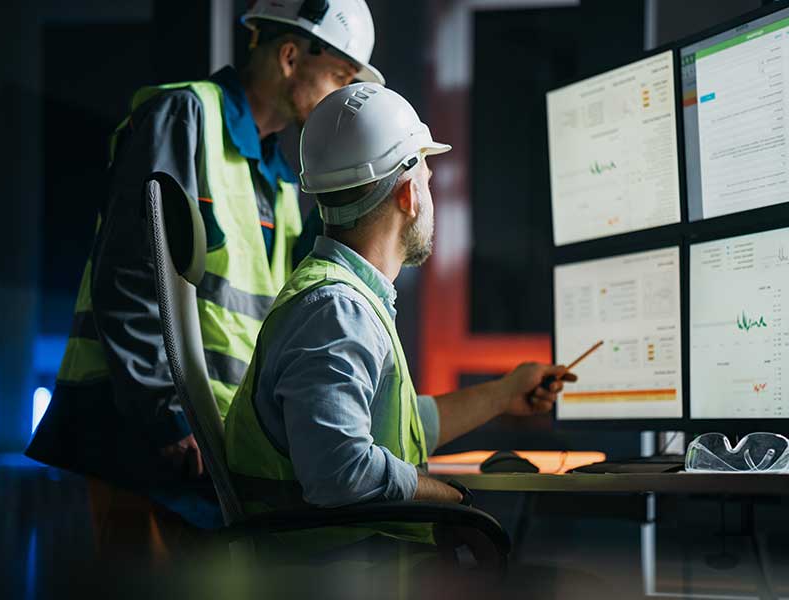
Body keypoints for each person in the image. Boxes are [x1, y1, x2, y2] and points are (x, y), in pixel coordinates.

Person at [25, 0, 384, 559]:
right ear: (291, 56)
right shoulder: (183, 117)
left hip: (204, 446)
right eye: (339, 75)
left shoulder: (282, 177)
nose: (342, 93)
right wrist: (165, 414)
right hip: (140, 437)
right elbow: (130, 274)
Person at [224, 83, 578, 560]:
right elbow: (341, 472)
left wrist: (504, 393)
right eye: (429, 180)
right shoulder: (336, 311)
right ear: (409, 195)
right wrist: (452, 500)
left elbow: (393, 429)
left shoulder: (344, 300)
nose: (431, 193)